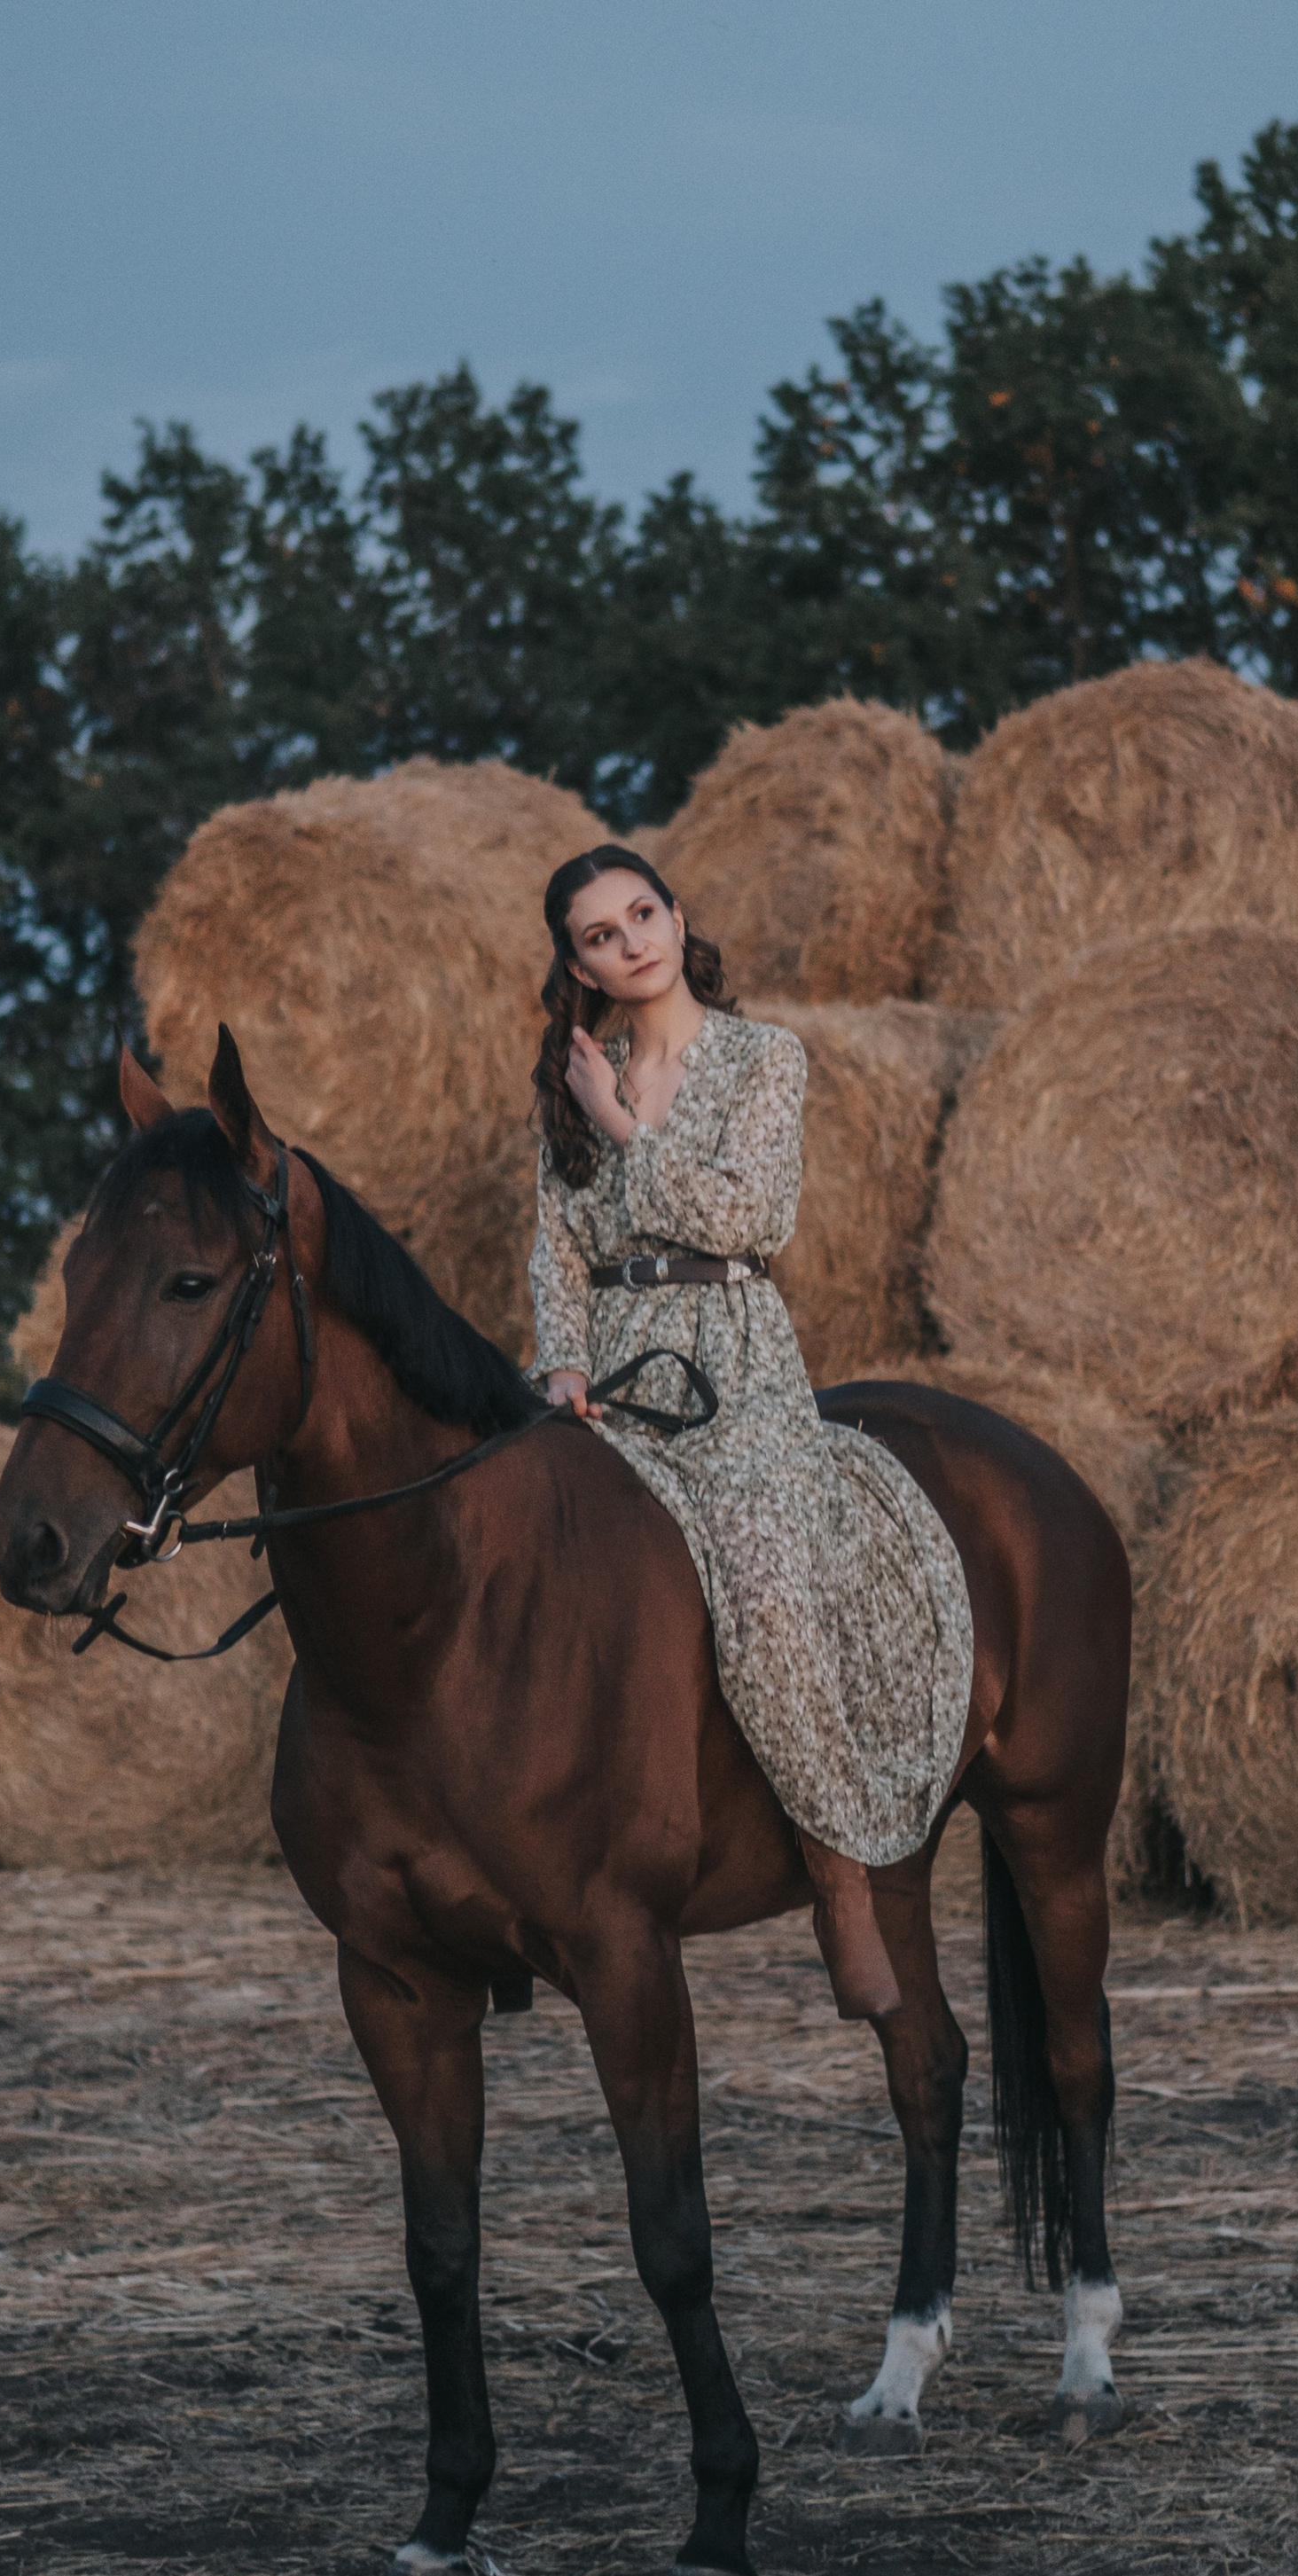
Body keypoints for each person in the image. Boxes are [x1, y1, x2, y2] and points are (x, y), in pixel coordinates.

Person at [528, 843, 974, 2022]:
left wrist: (623, 1122)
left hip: (731, 1360)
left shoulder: (762, 1058)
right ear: (575, 963)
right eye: (599, 936)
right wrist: (562, 1358)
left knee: (767, 1574)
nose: (631, 944)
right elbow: (556, 1246)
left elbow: (748, 1211)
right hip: (611, 1370)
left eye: (641, 914)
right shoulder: (572, 1077)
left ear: (678, 912)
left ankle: (839, 1882)